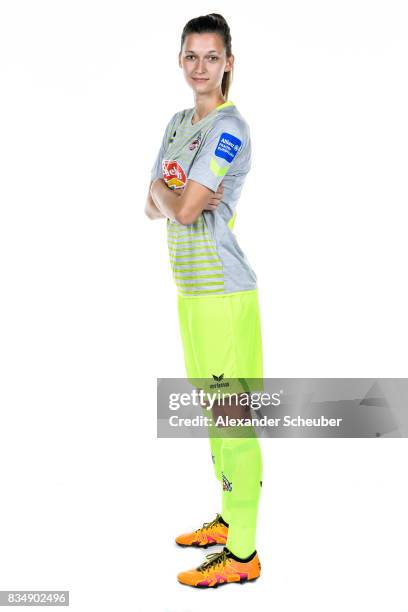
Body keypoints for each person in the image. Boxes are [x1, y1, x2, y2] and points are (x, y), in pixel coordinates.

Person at [145, 13, 264, 588]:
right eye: (191, 56)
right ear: (181, 60)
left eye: (211, 57)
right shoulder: (176, 123)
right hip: (188, 289)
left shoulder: (228, 129)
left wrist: (170, 192)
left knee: (234, 420)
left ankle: (242, 556)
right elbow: (151, 202)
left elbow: (183, 207)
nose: (200, 67)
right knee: (212, 416)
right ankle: (226, 519)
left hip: (222, 290)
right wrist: (172, 192)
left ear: (228, 63)